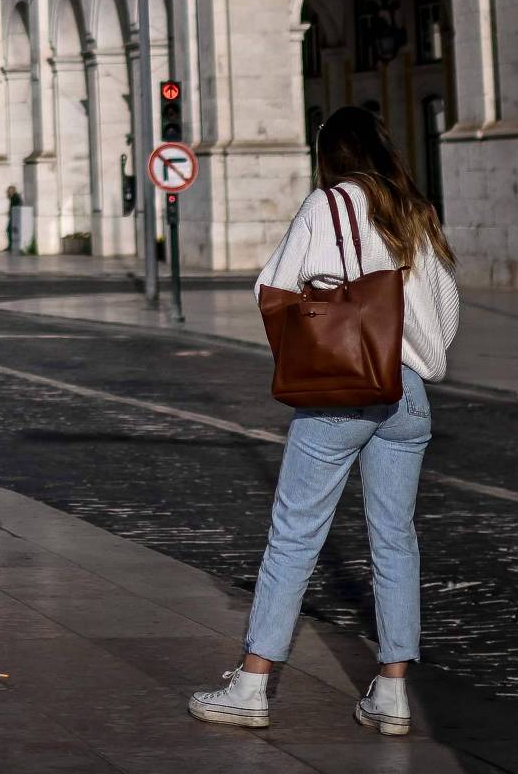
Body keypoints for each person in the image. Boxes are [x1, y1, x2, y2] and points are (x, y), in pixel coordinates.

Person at [189, 106, 460, 737]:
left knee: (295, 535)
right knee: (395, 539)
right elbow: (443, 318)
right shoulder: (417, 211)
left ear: (330, 154)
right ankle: (393, 693)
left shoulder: (327, 204)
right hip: (408, 391)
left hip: (340, 393)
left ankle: (252, 684)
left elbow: (274, 286)